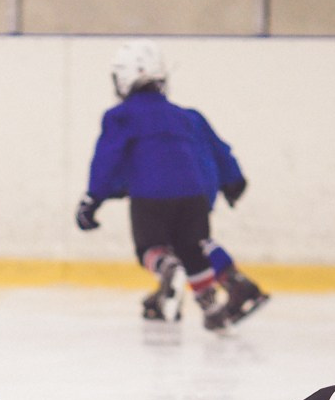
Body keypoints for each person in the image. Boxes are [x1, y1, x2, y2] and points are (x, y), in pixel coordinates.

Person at [75, 39, 268, 331]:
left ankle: (169, 271)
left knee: (151, 250)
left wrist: (94, 197)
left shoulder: (121, 115)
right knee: (193, 249)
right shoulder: (183, 115)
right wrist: (233, 181)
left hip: (151, 193)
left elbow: (108, 158)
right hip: (194, 195)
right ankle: (212, 308)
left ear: (126, 76)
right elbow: (215, 149)